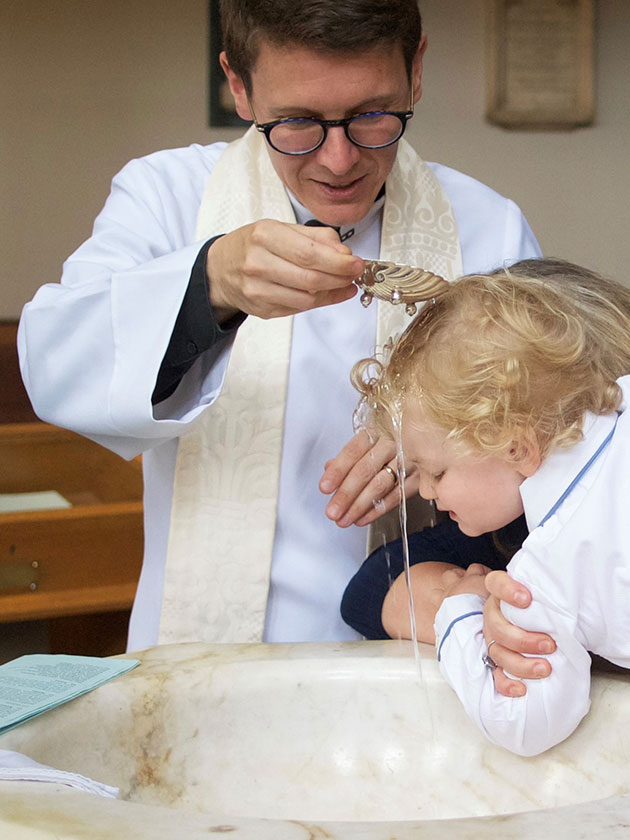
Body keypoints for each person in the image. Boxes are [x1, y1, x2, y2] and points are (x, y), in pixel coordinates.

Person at [17, 0, 540, 652]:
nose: (340, 158)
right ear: (239, 85)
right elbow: (56, 366)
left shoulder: (490, 228)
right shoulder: (167, 197)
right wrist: (209, 285)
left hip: (427, 658)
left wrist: (451, 440)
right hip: (207, 664)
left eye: (372, 114)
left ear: (417, 72)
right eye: (297, 122)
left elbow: (556, 441)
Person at [348, 258, 630, 755]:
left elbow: (527, 722)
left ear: (516, 446)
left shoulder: (542, 571)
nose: (427, 492)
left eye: (435, 472)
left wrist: (463, 611)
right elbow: (371, 585)